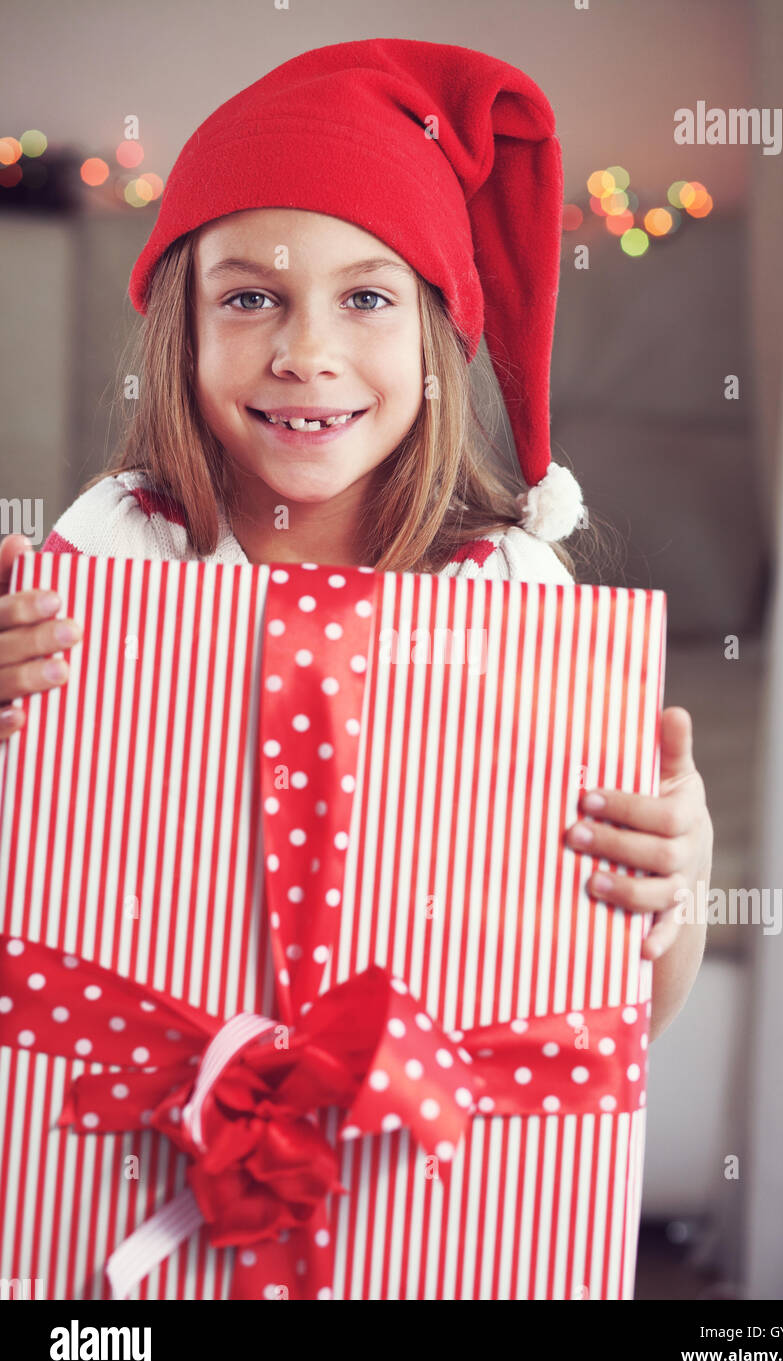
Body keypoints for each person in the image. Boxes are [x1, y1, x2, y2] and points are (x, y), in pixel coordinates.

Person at [0, 37, 711, 1039]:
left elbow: (609, 1015)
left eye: (366, 299)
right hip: (135, 1154)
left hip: (411, 1161)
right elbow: (35, 911)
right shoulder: (114, 551)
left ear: (433, 335)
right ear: (181, 329)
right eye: (250, 298)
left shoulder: (507, 584)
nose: (305, 354)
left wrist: (674, 879)